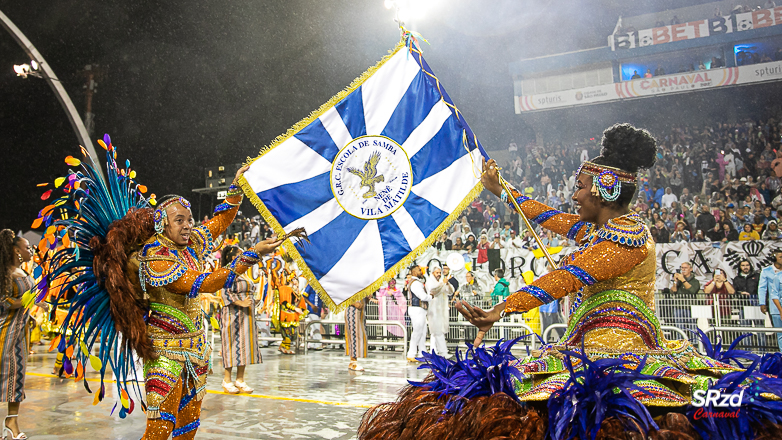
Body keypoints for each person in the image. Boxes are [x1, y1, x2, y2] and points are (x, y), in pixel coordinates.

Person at [359, 123, 771, 440]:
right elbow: (547, 216)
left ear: (604, 191)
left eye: (580, 188)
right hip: (582, 343)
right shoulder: (599, 232)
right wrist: (502, 191)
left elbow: (566, 277)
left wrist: (501, 309)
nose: (575, 197)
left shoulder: (628, 239)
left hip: (616, 353)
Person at [38, 149, 287, 440]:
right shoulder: (154, 258)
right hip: (165, 353)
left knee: (188, 427)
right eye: (179, 220)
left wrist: (235, 189)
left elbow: (220, 221)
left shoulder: (190, 243)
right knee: (159, 431)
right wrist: (251, 255)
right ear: (162, 224)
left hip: (196, 350)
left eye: (190, 219)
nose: (188, 225)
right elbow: (204, 283)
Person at [0, 232, 35, 440]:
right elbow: (4, 302)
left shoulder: (23, 272)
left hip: (20, 332)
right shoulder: (5, 273)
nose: (30, 249)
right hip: (4, 332)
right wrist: (26, 300)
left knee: (16, 378)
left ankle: (11, 422)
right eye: (27, 246)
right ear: (16, 250)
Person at [219, 246, 260, 394]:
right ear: (232, 257)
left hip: (246, 315)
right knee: (231, 345)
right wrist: (240, 302)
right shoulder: (227, 272)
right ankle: (227, 379)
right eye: (240, 255)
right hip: (232, 314)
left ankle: (240, 380)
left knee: (244, 346)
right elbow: (224, 292)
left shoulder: (243, 273)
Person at [406, 266, 432, 362]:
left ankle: (422, 352)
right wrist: (430, 297)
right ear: (414, 272)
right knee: (417, 332)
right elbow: (423, 296)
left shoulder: (416, 282)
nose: (421, 271)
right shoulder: (416, 283)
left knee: (422, 332)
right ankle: (411, 353)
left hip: (419, 309)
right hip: (417, 309)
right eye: (419, 270)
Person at [759, 249, 782, 351]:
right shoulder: (766, 271)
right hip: (775, 306)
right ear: (774, 258)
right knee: (780, 332)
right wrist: (762, 302)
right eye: (780, 257)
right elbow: (762, 287)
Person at [426, 267, 451, 356]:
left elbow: (450, 291)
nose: (439, 274)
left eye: (440, 273)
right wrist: (442, 283)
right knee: (437, 331)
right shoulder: (430, 281)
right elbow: (433, 290)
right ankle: (443, 352)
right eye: (437, 272)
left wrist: (447, 283)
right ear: (432, 273)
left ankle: (433, 351)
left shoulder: (441, 282)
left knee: (436, 332)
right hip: (434, 309)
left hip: (442, 309)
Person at [345, 298, 368, 371]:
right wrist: (353, 303)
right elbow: (343, 296)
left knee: (357, 335)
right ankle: (354, 362)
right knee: (354, 335)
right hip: (353, 311)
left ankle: (352, 361)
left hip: (360, 313)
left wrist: (367, 298)